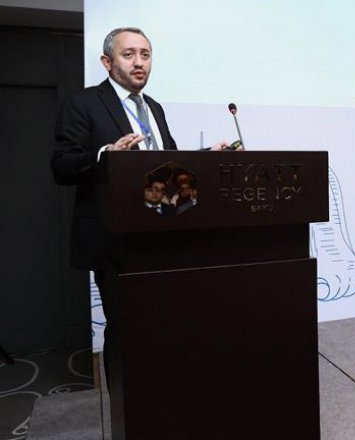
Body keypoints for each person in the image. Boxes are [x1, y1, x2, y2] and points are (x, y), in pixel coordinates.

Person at [50, 27, 228, 387]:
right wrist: (106, 154)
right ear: (107, 61)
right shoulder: (83, 103)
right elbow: (61, 166)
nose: (139, 62)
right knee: (125, 327)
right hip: (113, 239)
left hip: (163, 233)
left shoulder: (154, 108)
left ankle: (161, 395)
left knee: (163, 323)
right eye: (128, 54)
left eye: (145, 55)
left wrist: (207, 157)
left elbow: (167, 165)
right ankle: (124, 405)